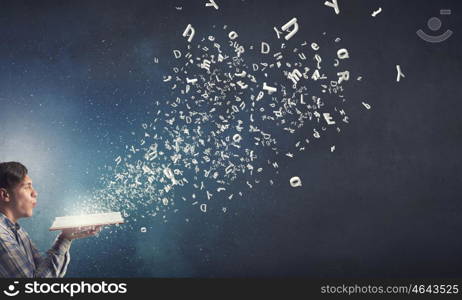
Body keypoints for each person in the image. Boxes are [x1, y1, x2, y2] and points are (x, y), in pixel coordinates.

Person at [0, 161, 101, 278]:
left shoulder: (16, 230)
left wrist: (67, 237)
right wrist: (65, 238)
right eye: (27, 187)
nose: (35, 193)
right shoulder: (2, 235)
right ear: (4, 195)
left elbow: (43, 272)